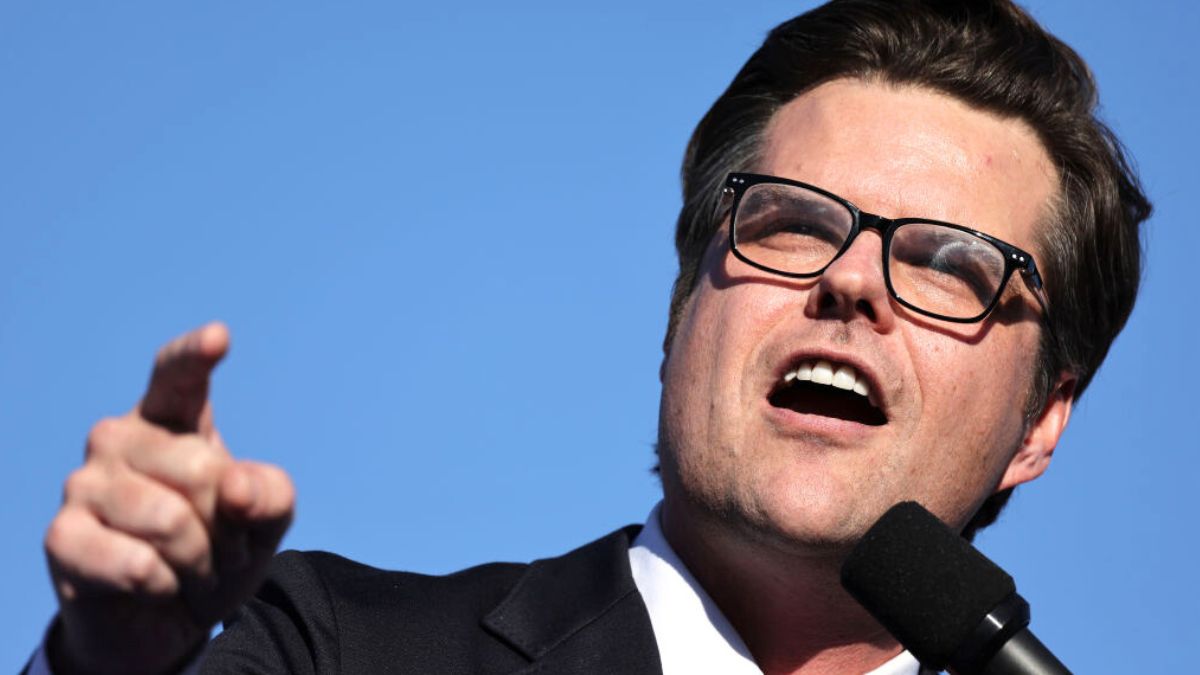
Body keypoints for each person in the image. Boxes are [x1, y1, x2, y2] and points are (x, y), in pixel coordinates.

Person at [28, 0, 1150, 673]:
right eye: (791, 225)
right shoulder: (339, 649)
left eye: (947, 264)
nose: (852, 281)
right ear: (681, 314)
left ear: (1041, 422)